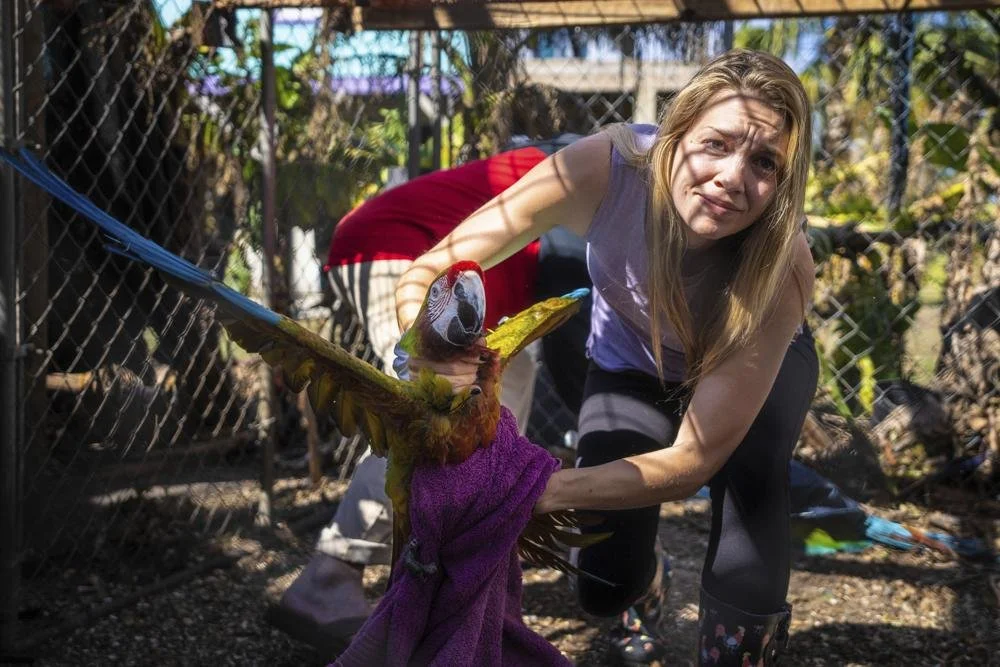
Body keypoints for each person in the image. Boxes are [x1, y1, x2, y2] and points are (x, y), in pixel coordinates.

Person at [393, 49, 819, 666]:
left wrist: (526, 492)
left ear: (782, 182)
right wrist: (429, 347)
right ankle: (645, 586)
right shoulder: (602, 169)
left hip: (756, 366)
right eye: (716, 144)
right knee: (602, 585)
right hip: (633, 359)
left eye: (763, 162)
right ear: (673, 138)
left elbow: (693, 461)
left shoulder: (785, 263)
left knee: (751, 497)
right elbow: (436, 266)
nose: (732, 176)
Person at [268, 138, 587, 656]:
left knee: (503, 394)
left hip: (424, 269)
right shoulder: (592, 178)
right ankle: (329, 577)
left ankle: (473, 543)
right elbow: (581, 345)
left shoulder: (571, 165)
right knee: (429, 420)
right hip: (397, 253)